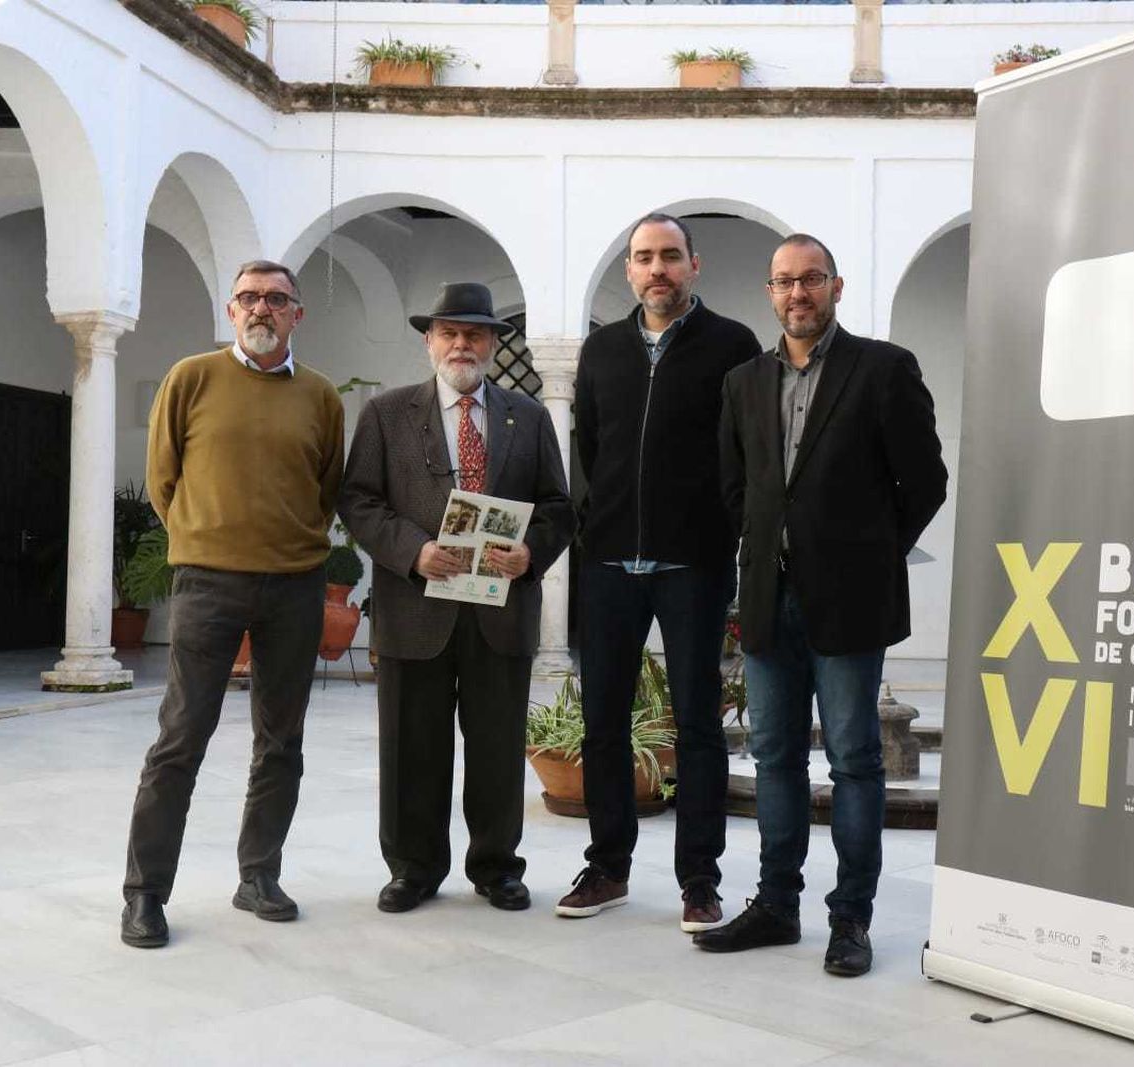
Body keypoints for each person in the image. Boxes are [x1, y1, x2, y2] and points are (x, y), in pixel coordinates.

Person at [696, 234, 948, 976]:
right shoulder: (744, 381)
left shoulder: (883, 369)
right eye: (783, 282)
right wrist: (764, 542)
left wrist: (871, 552)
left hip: (850, 601)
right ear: (770, 293)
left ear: (836, 287)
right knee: (773, 754)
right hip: (771, 600)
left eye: (811, 279)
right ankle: (777, 904)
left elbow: (925, 481)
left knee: (855, 759)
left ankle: (851, 920)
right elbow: (735, 486)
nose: (797, 293)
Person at [120, 259, 345, 949]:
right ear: (231, 309)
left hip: (295, 585)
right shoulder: (192, 378)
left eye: (277, 299)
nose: (263, 309)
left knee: (282, 740)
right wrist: (207, 536)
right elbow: (164, 480)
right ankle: (145, 894)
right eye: (249, 297)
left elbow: (327, 484)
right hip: (209, 584)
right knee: (180, 739)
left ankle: (258, 875)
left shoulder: (321, 397)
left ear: (297, 314)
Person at [338, 282, 574, 914]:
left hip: (500, 613)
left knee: (497, 749)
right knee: (411, 748)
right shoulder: (386, 414)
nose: (461, 344)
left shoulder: (527, 418)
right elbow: (359, 499)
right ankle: (412, 869)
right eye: (449, 332)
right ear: (429, 341)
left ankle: (497, 866)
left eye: (474, 333)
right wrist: (411, 551)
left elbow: (557, 506)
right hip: (415, 610)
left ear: (494, 344)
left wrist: (531, 555)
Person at [558, 213, 761, 932]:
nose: (657, 270)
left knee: (700, 725)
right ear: (628, 271)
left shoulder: (734, 345)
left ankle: (699, 879)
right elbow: (590, 446)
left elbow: (745, 451)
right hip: (610, 561)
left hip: (693, 563)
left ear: (693, 266)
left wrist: (720, 528)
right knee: (604, 722)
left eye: (670, 257)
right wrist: (600, 522)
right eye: (644, 258)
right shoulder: (603, 349)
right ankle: (609, 865)